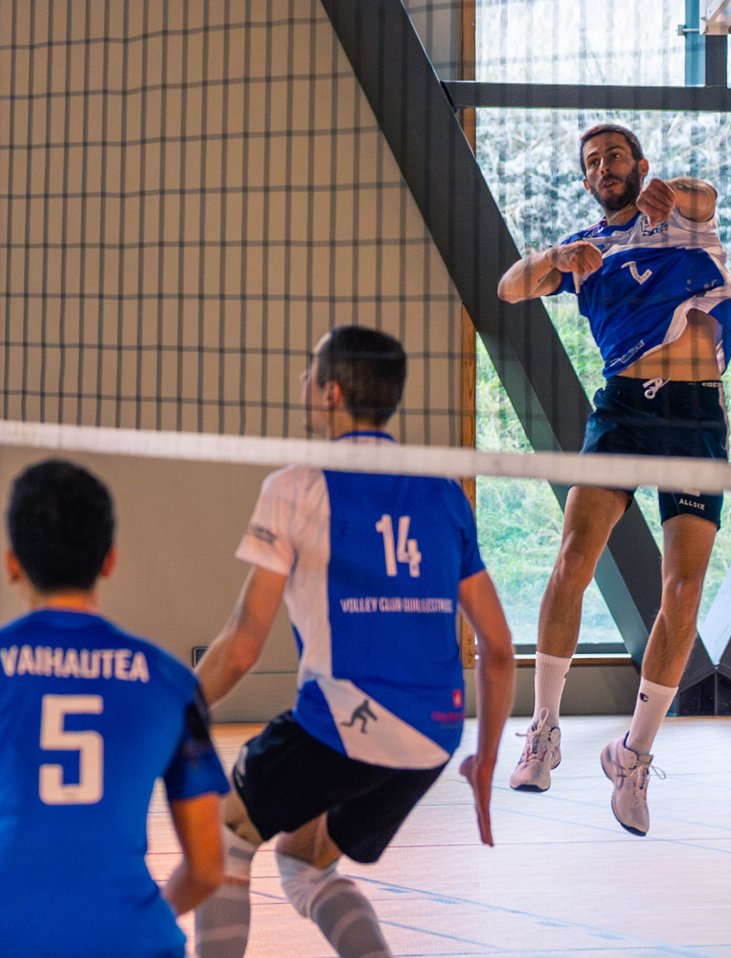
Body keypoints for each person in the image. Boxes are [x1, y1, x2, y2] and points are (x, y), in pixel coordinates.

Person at [190, 325, 518, 958]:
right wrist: (483, 759)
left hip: (345, 719)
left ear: (331, 393)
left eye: (310, 373)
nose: (303, 384)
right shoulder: (446, 494)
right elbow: (498, 648)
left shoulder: (294, 487)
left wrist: (170, 713)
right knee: (305, 864)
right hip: (434, 736)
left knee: (222, 834)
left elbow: (241, 647)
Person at [495, 121, 731, 834]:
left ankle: (633, 756)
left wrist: (675, 192)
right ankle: (543, 730)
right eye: (592, 162)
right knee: (573, 558)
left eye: (615, 156)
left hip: (695, 419)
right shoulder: (588, 250)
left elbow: (705, 194)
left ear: (639, 165)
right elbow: (511, 288)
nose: (605, 167)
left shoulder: (682, 213)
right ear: (586, 180)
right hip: (626, 410)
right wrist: (555, 255)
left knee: (684, 590)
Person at [0, 459, 229, 958]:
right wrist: (136, 925)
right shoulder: (172, 686)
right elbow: (209, 868)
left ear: (12, 562)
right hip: (133, 943)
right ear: (109, 561)